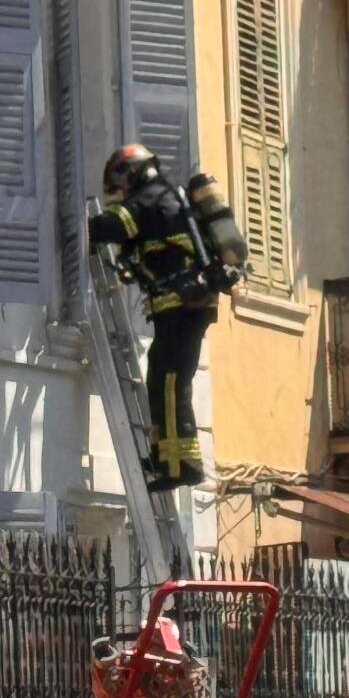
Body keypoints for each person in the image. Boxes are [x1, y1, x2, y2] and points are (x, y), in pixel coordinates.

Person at [89, 145, 237, 490]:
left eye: (122, 184)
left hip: (181, 305)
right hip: (185, 304)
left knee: (170, 383)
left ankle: (180, 466)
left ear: (131, 172)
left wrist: (78, 225)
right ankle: (165, 456)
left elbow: (113, 225)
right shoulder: (167, 198)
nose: (122, 193)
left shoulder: (151, 199)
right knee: (162, 377)